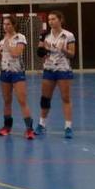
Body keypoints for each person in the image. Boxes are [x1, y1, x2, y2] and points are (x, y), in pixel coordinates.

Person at [0, 16, 34, 140]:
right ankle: (7, 126)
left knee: (22, 100)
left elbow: (16, 54)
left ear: (13, 25)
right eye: (4, 24)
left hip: (17, 72)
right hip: (5, 72)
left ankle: (29, 129)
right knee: (7, 101)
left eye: (8, 24)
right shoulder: (2, 41)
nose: (5, 26)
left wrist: (7, 44)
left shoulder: (20, 37)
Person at [35, 11, 77, 139]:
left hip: (63, 70)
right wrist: (45, 49)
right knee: (45, 98)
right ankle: (42, 124)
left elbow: (72, 54)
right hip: (49, 69)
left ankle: (68, 127)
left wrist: (63, 49)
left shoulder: (68, 35)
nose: (51, 21)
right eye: (49, 19)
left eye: (53, 19)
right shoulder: (45, 35)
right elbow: (40, 53)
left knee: (66, 98)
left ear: (60, 20)